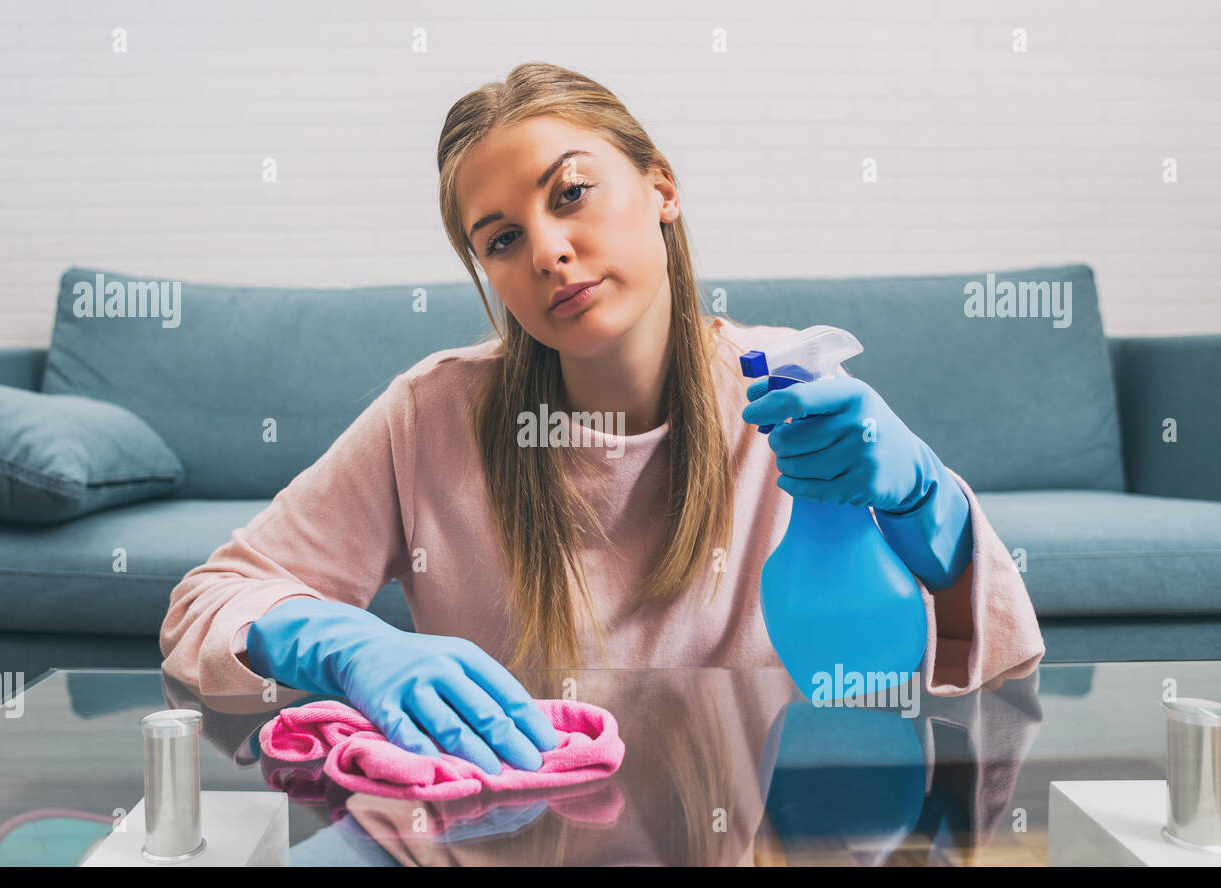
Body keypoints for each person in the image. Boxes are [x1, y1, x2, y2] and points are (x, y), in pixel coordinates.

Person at [159, 61, 1045, 777]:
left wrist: (926, 501)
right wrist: (337, 643)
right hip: (508, 838)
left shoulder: (789, 391)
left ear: (661, 186)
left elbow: (1000, 659)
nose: (546, 249)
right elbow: (208, 601)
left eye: (570, 193)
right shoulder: (434, 414)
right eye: (500, 239)